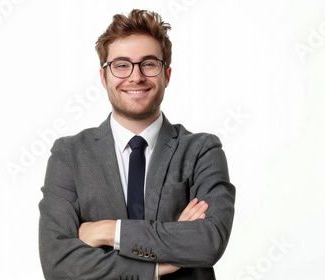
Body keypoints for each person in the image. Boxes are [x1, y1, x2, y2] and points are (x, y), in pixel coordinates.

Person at [38, 9, 235, 279]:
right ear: (103, 76)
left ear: (166, 74)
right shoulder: (69, 155)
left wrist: (108, 231)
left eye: (149, 63)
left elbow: (208, 241)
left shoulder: (202, 151)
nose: (136, 76)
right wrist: (160, 265)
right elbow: (57, 262)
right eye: (121, 65)